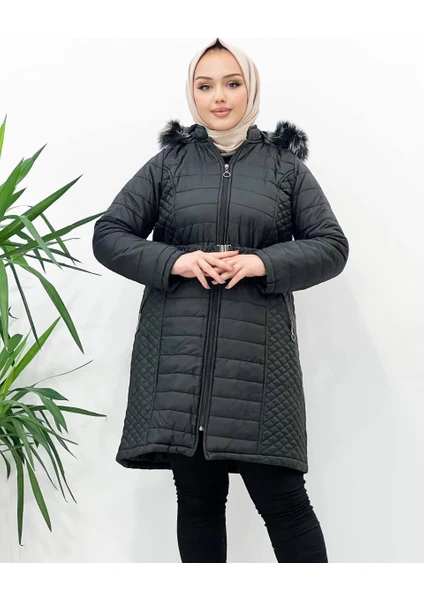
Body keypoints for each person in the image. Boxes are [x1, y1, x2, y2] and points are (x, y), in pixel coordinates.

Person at [92, 37, 349, 563]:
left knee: (286, 505)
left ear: (250, 88)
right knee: (198, 502)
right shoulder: (169, 165)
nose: (219, 97)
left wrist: (262, 263)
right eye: (205, 86)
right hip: (178, 368)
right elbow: (109, 234)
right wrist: (176, 261)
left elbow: (331, 246)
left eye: (232, 84)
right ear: (192, 93)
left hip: (257, 369)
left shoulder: (284, 168)